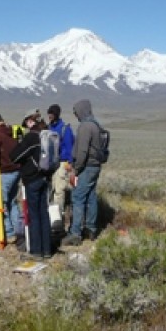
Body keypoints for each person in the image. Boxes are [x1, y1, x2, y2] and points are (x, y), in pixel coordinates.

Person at [61, 99, 105, 246]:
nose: (76, 115)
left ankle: (75, 233)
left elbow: (82, 151)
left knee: (78, 197)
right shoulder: (96, 124)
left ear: (82, 110)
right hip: (95, 166)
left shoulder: (85, 127)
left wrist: (76, 169)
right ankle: (91, 229)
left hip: (86, 167)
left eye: (76, 112)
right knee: (91, 196)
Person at [11, 109, 52, 259]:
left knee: (34, 215)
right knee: (44, 213)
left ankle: (36, 251)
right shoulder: (47, 134)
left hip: (32, 179)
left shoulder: (31, 138)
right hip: (45, 177)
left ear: (30, 121)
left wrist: (19, 142)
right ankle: (47, 249)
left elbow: (15, 156)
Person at [0, 111, 23, 246]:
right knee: (12, 202)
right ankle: (20, 232)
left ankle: (9, 233)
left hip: (5, 172)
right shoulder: (11, 131)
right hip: (16, 170)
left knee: (2, 204)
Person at [46, 104, 75, 232]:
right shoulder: (49, 128)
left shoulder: (64, 129)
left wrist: (69, 164)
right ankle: (52, 219)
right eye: (49, 114)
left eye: (51, 114)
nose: (49, 116)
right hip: (50, 163)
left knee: (59, 192)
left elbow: (69, 148)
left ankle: (59, 221)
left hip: (62, 163)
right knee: (51, 192)